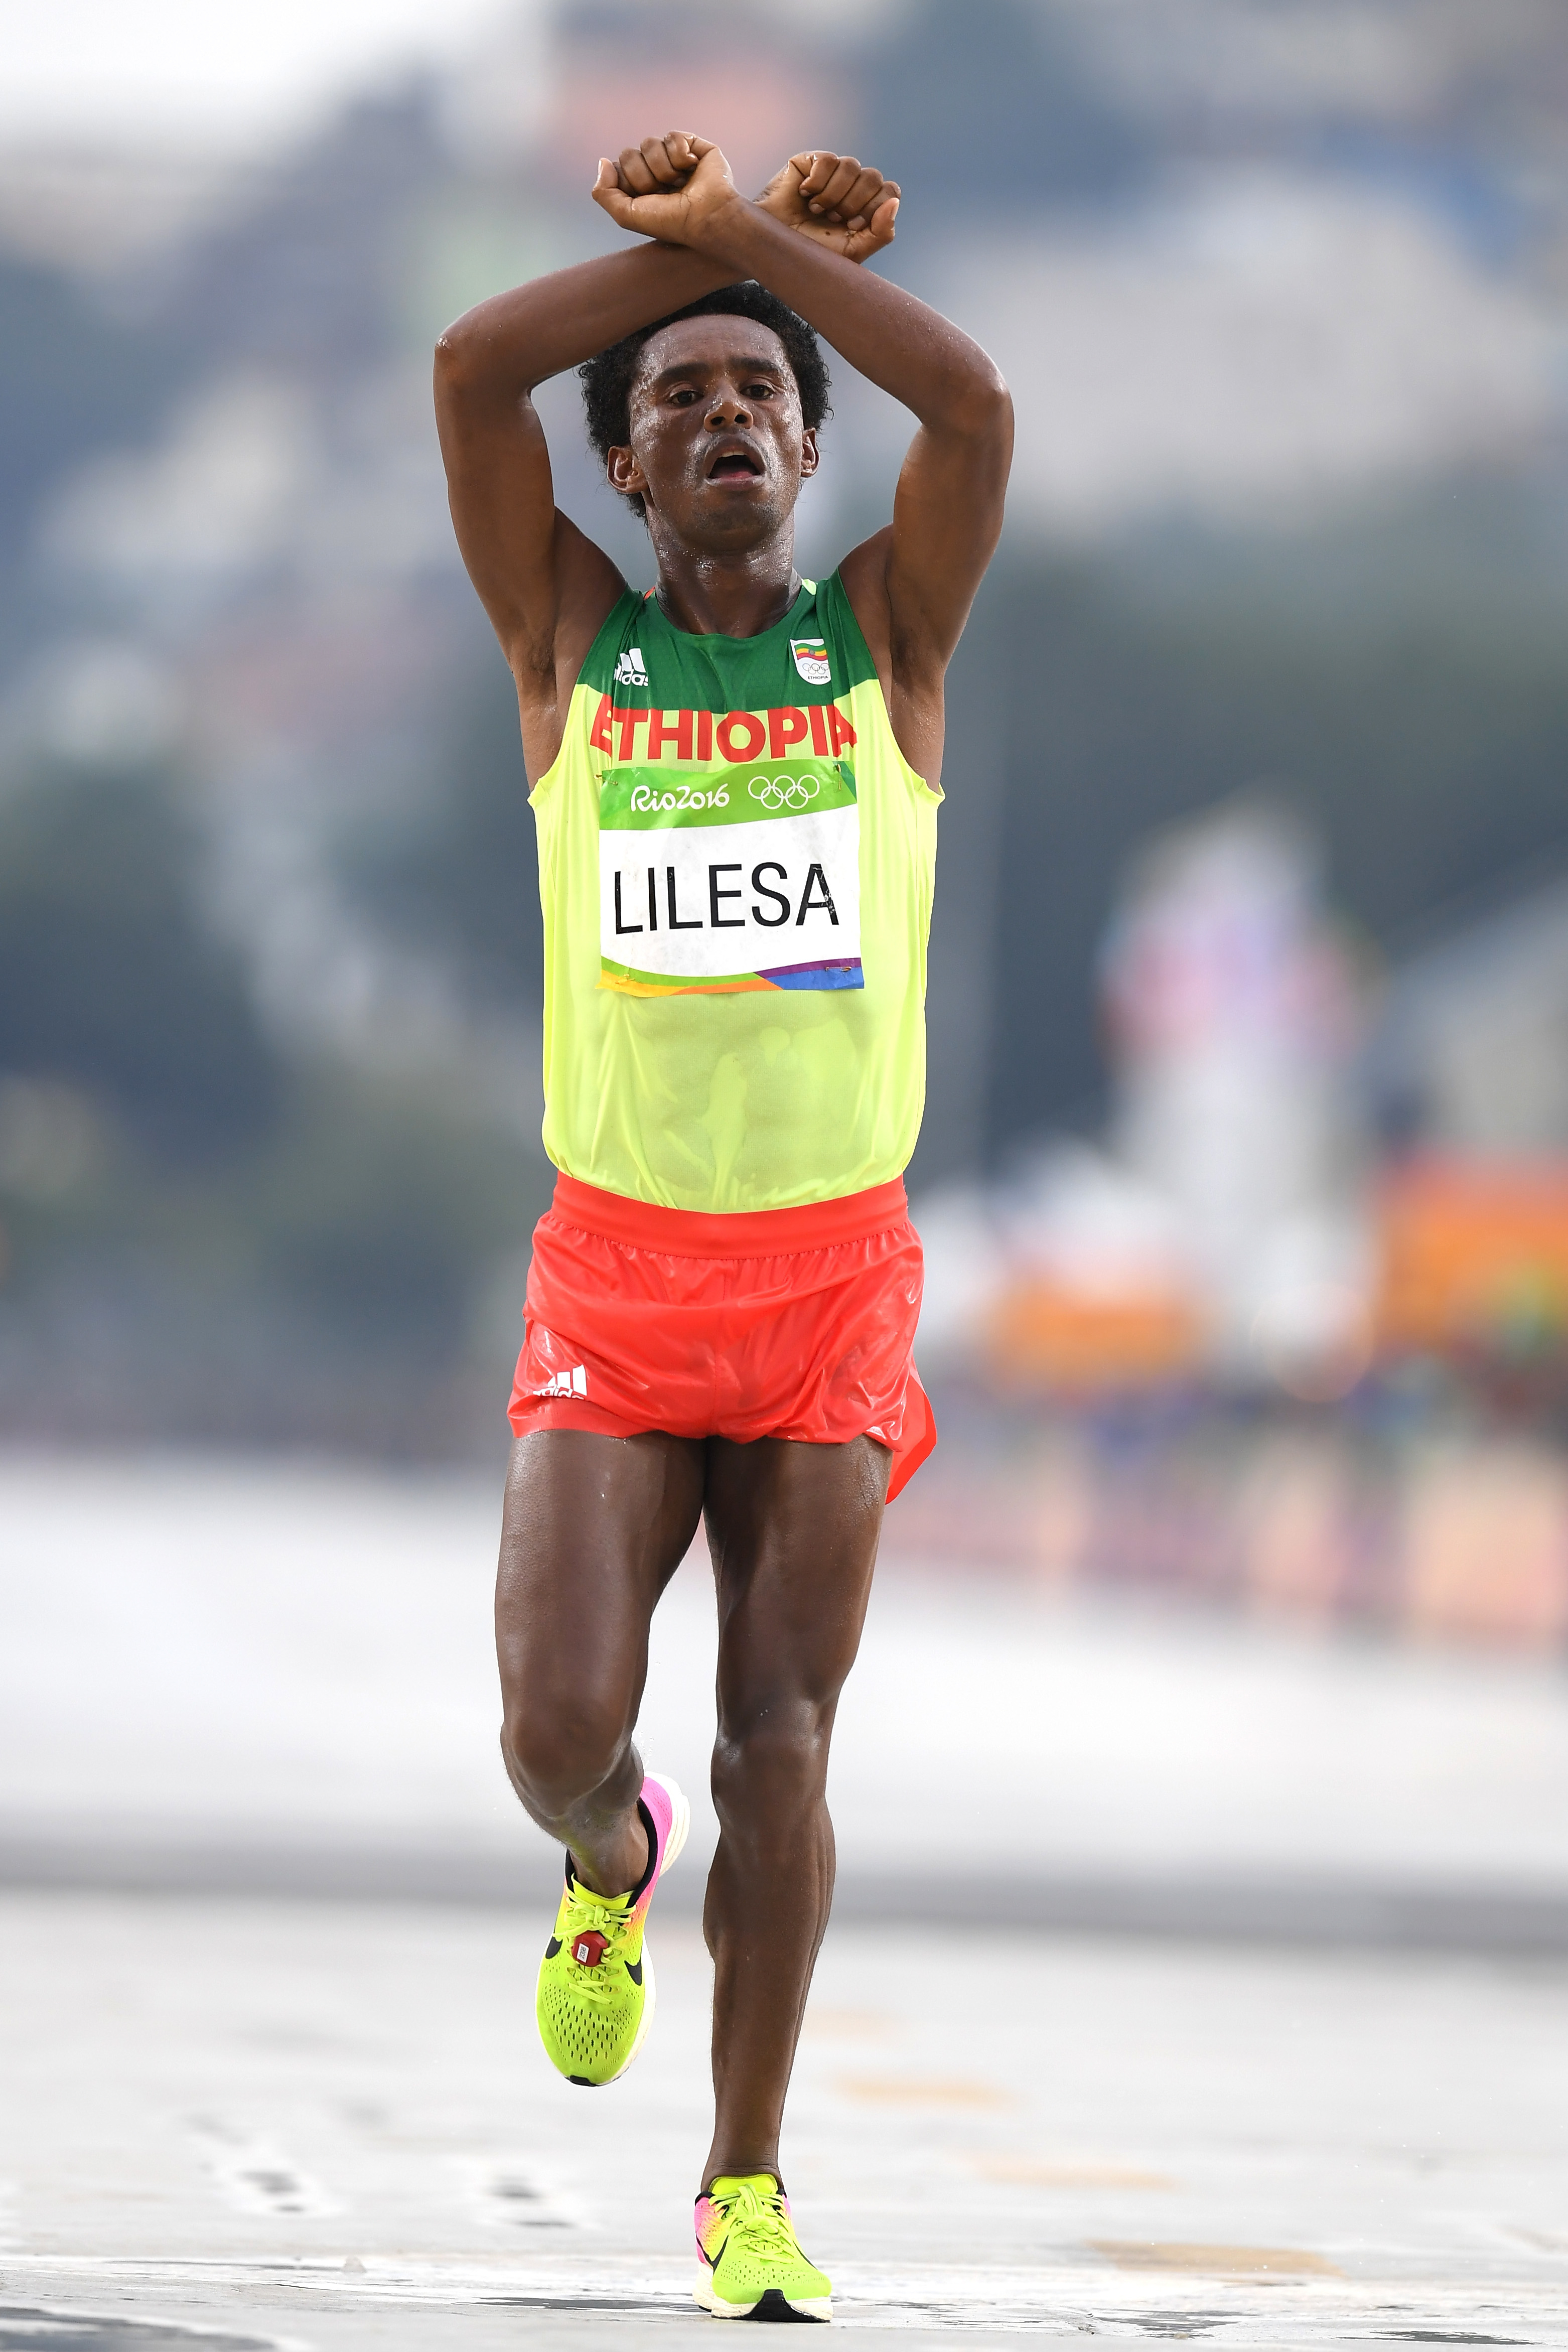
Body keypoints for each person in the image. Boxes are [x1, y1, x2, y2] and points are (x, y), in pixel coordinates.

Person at [434, 130, 1011, 2322]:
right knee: (553, 1725)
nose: (724, 416)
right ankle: (604, 1858)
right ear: (623, 468)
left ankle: (741, 2185)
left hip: (826, 1283)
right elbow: (472, 367)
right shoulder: (563, 642)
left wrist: (750, 255)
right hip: (618, 1270)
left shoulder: (887, 642)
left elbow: (971, 413)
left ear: (801, 446)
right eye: (675, 398)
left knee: (787, 1734)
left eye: (759, 394)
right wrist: (686, 256)